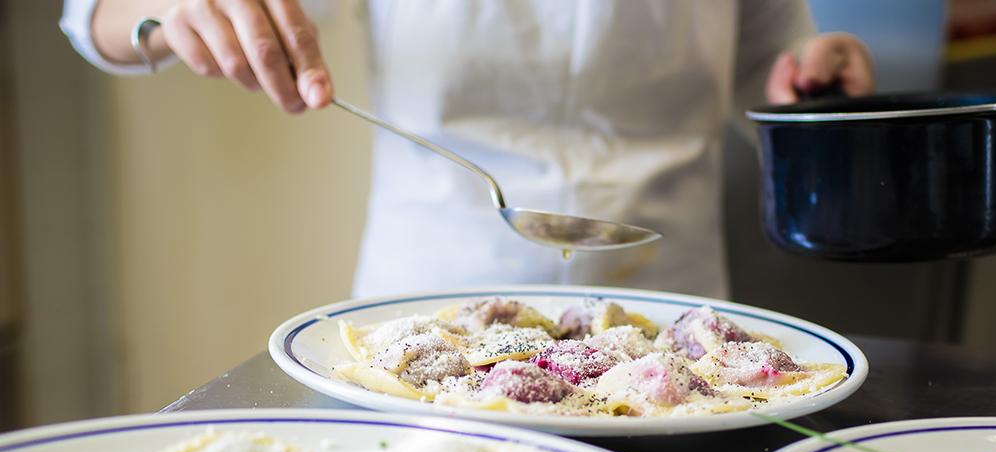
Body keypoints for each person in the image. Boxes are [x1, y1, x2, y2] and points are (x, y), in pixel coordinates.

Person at [62, 1, 873, 299]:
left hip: (671, 309)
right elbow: (90, 16)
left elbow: (767, 70)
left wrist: (809, 80)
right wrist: (158, 14)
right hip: (430, 309)